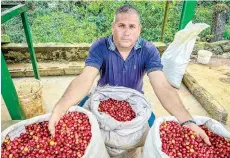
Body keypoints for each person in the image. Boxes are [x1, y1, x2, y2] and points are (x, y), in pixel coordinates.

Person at [48, 5, 211, 145]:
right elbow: (85, 79)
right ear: (113, 27)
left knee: (153, 135)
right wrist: (60, 108)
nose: (126, 32)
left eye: (132, 27)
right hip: (103, 96)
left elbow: (162, 86)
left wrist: (187, 121)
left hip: (134, 100)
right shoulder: (100, 46)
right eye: (121, 25)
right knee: (77, 124)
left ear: (139, 29)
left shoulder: (148, 50)